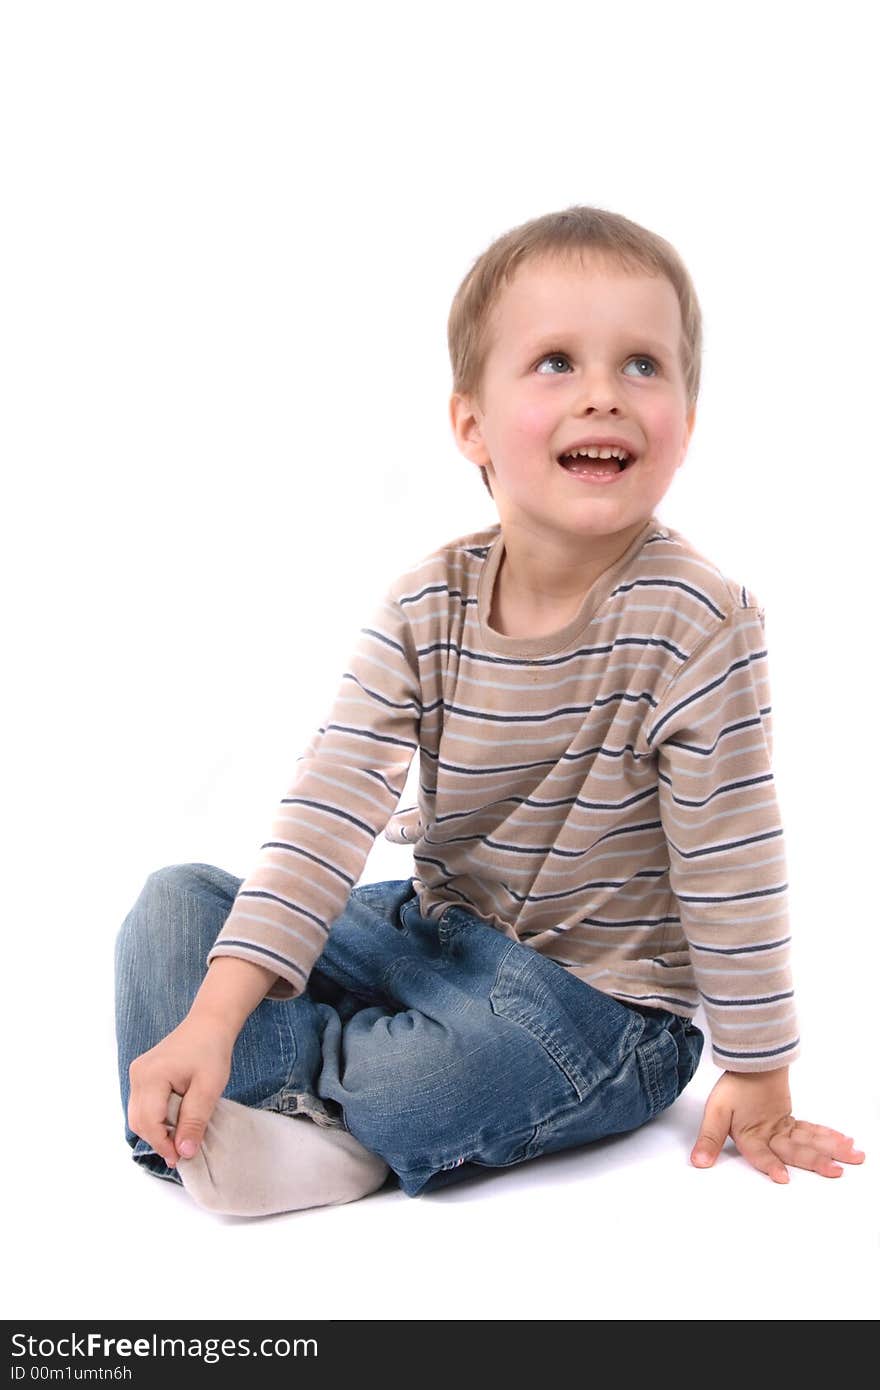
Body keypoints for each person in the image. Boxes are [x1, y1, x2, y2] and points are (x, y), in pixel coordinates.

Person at [115, 204, 865, 1217]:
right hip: (437, 934)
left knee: (447, 1072)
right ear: (469, 422)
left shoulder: (698, 621)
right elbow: (328, 811)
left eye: (642, 365)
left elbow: (731, 861)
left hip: (599, 1005)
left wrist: (759, 1067)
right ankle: (290, 1112)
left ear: (686, 422)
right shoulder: (426, 603)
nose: (603, 394)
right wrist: (213, 1012)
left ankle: (304, 1117)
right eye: (556, 361)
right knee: (177, 907)